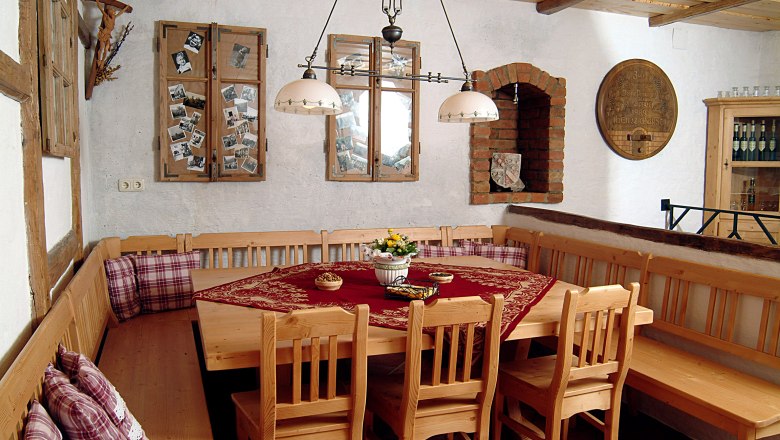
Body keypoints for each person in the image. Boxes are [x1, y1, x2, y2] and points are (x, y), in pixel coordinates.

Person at [95, 1, 129, 69]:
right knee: (101, 48)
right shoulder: (107, 17)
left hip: (108, 35)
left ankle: (102, 62)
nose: (114, 12)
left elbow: (120, 13)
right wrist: (98, 2)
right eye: (113, 12)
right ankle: (99, 60)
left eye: (114, 12)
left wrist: (126, 8)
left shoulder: (114, 18)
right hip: (103, 35)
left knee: (106, 49)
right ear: (109, 13)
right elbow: (101, 9)